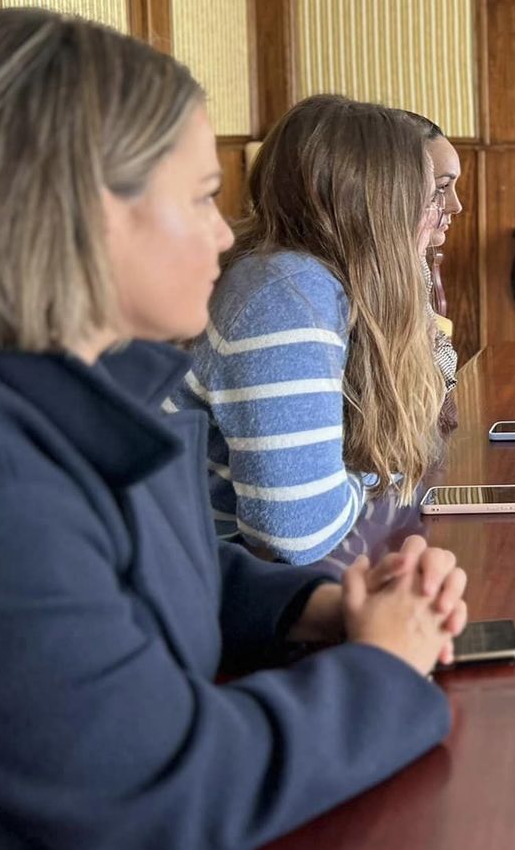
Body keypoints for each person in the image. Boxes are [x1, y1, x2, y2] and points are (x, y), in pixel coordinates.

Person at [0, 9, 467, 850]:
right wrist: (382, 670)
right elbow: (157, 796)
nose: (226, 233)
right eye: (201, 198)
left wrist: (321, 611)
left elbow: (153, 570)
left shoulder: (83, 377)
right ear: (79, 213)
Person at [174, 95, 450, 564]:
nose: (436, 215)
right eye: (428, 198)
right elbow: (294, 533)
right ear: (378, 206)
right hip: (206, 593)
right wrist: (367, 474)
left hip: (228, 579)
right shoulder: (287, 292)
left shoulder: (317, 279)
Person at [414, 113, 464, 394]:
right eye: (442, 187)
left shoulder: (415, 260)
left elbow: (442, 361)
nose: (456, 205)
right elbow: (425, 384)